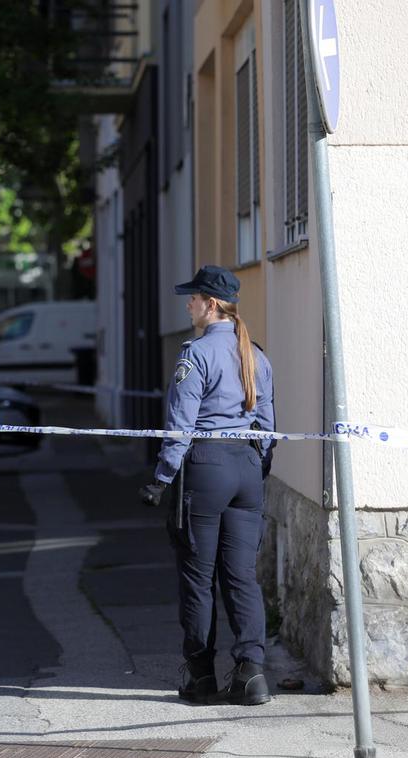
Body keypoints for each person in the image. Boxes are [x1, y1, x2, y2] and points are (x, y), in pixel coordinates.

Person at [142, 265, 274, 706]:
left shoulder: (195, 355)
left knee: (198, 579)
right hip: (247, 469)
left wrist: (161, 479)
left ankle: (200, 677)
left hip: (206, 467)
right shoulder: (256, 355)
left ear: (211, 304)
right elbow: (269, 426)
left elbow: (180, 426)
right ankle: (252, 673)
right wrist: (257, 469)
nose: (188, 304)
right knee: (241, 577)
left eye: (193, 297)